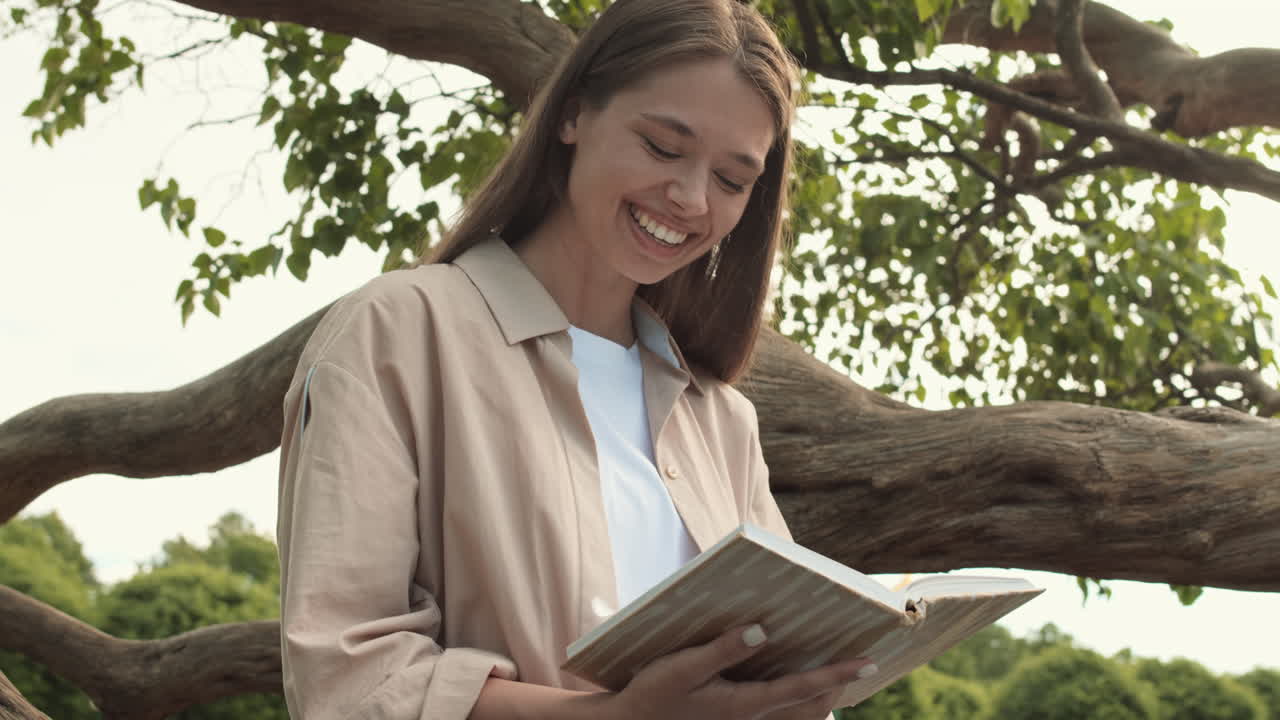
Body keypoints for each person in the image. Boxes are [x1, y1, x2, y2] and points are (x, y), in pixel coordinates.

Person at [276, 1, 878, 718]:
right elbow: (348, 679)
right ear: (572, 115)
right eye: (662, 147)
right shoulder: (398, 332)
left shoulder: (721, 422)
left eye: (731, 180)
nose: (689, 198)